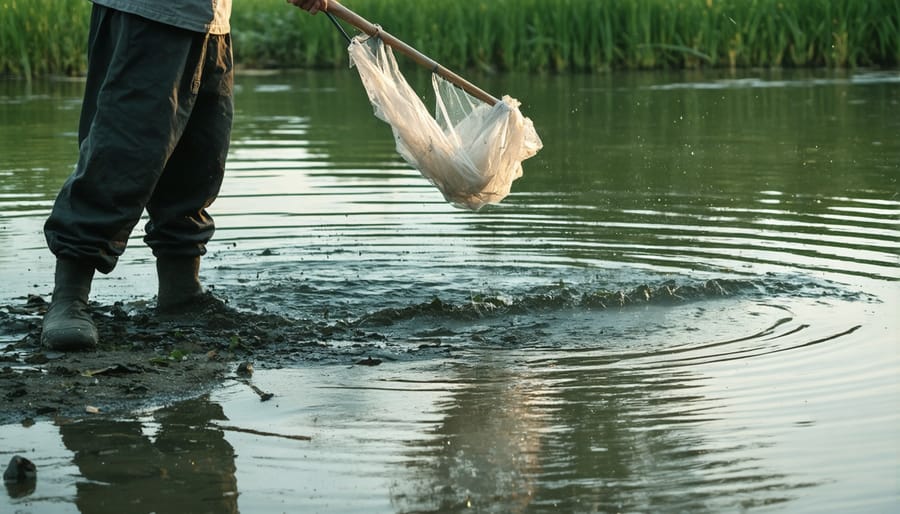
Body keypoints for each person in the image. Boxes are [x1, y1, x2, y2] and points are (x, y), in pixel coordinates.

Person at [41, 0, 329, 351]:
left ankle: (180, 292)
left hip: (211, 21)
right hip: (151, 13)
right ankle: (69, 297)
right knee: (123, 152)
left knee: (200, 157)